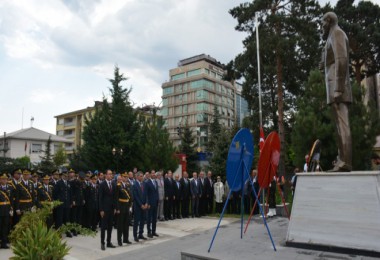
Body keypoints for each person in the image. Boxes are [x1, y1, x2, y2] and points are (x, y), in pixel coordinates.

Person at [321, 12, 352, 172]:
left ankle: (345, 161)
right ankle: (342, 159)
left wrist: (339, 88)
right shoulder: (331, 36)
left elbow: (342, 59)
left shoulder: (337, 33)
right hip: (333, 88)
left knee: (343, 125)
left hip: (337, 88)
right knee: (339, 126)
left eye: (322, 23)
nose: (322, 27)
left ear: (329, 20)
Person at [99, 169, 116, 250]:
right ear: (105, 175)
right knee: (103, 227)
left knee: (110, 226)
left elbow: (114, 197)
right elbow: (100, 198)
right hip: (105, 209)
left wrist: (115, 208)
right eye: (109, 174)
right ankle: (102, 243)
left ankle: (109, 242)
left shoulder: (113, 184)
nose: (110, 175)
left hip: (111, 209)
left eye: (111, 174)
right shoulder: (102, 184)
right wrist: (101, 210)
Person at [53, 170, 73, 237]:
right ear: (62, 176)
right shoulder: (58, 183)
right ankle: (58, 232)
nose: (66, 177)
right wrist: (56, 202)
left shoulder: (68, 182)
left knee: (67, 218)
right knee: (59, 219)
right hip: (60, 204)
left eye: (67, 176)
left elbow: (70, 193)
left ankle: (67, 231)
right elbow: (54, 194)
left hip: (67, 204)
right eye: (65, 176)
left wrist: (70, 202)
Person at [115, 172, 132, 246]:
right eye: (124, 177)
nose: (125, 178)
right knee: (120, 224)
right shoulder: (118, 186)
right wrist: (117, 208)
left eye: (126, 177)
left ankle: (126, 239)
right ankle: (119, 240)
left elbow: (130, 196)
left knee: (126, 224)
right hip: (121, 206)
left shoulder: (128, 185)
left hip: (127, 206)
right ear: (121, 178)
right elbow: (116, 198)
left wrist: (130, 205)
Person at [132, 172, 148, 242]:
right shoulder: (134, 185)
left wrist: (147, 203)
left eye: (142, 176)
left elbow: (147, 194)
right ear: (137, 177)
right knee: (136, 221)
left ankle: (140, 234)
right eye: (141, 176)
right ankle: (135, 235)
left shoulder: (144, 184)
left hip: (144, 206)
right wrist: (141, 205)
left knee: (142, 221)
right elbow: (135, 196)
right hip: (138, 206)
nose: (142, 177)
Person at [0, 173, 14, 249]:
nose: (4, 180)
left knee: (6, 227)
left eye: (5, 179)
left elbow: (11, 199)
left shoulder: (10, 188)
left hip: (7, 210)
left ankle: (4, 242)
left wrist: (11, 208)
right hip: (0, 210)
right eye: (2, 179)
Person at [145, 171, 159, 238]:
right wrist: (147, 203)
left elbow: (156, 192)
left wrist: (157, 200)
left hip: (155, 203)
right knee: (149, 218)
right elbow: (146, 194)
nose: (153, 174)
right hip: (150, 204)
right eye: (152, 173)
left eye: (154, 173)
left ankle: (153, 231)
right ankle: (149, 232)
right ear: (150, 174)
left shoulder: (155, 182)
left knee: (154, 218)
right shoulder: (147, 182)